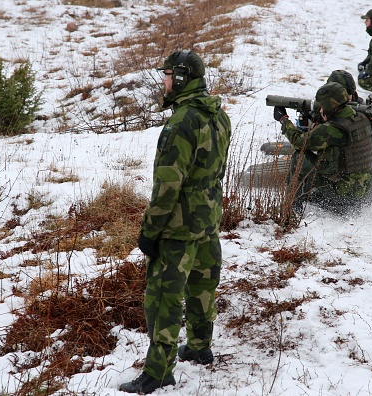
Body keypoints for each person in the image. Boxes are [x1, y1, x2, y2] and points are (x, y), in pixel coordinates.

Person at [119, 50, 231, 394]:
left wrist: (150, 231)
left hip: (179, 226)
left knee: (164, 298)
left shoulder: (182, 122)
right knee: (202, 285)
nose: (164, 82)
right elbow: (216, 173)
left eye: (167, 75)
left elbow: (168, 184)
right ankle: (199, 346)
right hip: (208, 220)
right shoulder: (218, 116)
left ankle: (158, 372)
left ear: (181, 78)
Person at [274, 82, 372, 216]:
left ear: (331, 106)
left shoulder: (332, 129)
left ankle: (290, 208)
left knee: (300, 156)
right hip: (365, 188)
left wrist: (284, 120)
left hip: (343, 193)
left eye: (322, 106)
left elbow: (300, 142)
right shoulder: (361, 117)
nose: (320, 110)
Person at [327, 70, 372, 159]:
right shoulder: (322, 104)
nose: (346, 97)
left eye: (348, 92)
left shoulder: (361, 107)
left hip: (358, 161)